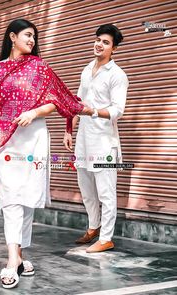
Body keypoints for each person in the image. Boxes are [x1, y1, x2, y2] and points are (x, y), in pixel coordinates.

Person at [0, 19, 95, 289]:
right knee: (10, 197)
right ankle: (12, 259)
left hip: (33, 137)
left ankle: (20, 257)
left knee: (27, 198)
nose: (32, 40)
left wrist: (33, 112)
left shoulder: (40, 68)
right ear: (12, 37)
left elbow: (57, 101)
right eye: (27, 35)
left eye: (34, 36)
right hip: (7, 141)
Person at [64, 24, 129, 253]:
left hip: (104, 141)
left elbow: (117, 110)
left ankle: (107, 238)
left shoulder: (118, 75)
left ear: (114, 48)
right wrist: (69, 130)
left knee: (106, 192)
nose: (99, 44)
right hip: (83, 138)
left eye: (106, 42)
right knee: (86, 188)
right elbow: (77, 102)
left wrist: (92, 111)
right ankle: (93, 226)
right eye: (98, 39)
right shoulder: (86, 69)